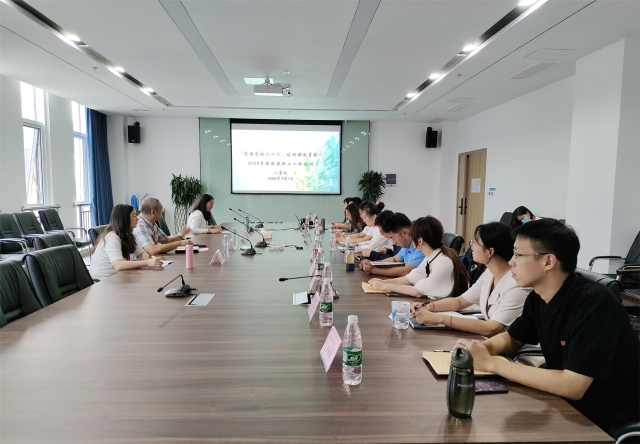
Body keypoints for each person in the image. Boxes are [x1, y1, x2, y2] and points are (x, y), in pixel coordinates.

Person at [455, 219, 640, 437]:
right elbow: (513, 338)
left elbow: (574, 386)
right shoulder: (539, 296)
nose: (511, 262)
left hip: (604, 420)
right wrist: (480, 349)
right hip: (565, 408)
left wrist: (491, 363)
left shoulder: (594, 303)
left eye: (518, 255)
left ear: (548, 261)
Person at [411, 222, 530, 336]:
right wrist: (428, 306)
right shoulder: (489, 273)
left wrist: (440, 318)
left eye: (475, 242)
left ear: (490, 252)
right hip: (488, 340)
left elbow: (491, 328)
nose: (471, 245)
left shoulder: (516, 284)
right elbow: (460, 302)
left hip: (509, 347)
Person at [368, 216, 468, 298]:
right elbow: (409, 279)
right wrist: (382, 282)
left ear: (420, 240)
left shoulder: (443, 261)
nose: (410, 238)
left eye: (412, 235)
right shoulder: (429, 258)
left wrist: (385, 286)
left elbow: (418, 292)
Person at [89, 204, 163, 280]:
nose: (137, 219)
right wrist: (147, 263)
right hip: (103, 280)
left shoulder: (128, 234)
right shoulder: (112, 237)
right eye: (134, 216)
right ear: (125, 219)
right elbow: (118, 265)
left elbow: (141, 253)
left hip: (119, 276)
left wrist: (147, 259)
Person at [360, 210, 425, 277]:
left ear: (405, 233)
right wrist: (371, 264)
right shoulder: (406, 246)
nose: (393, 243)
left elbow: (407, 271)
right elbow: (395, 259)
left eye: (392, 238)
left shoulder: (420, 247)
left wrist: (374, 270)